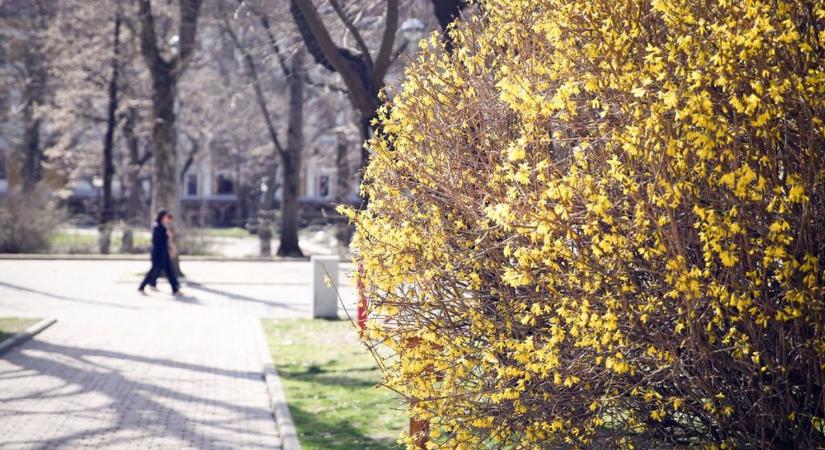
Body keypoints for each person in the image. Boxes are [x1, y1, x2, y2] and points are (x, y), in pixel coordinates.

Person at [138, 209, 182, 296]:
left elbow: (167, 241)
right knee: (154, 270)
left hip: (164, 253)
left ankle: (175, 289)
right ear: (161, 217)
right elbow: (158, 241)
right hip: (158, 253)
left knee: (169, 270)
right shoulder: (157, 227)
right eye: (166, 217)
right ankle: (142, 287)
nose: (167, 219)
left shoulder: (163, 227)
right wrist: (167, 236)